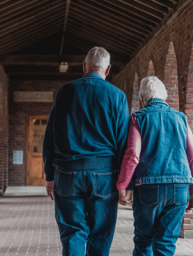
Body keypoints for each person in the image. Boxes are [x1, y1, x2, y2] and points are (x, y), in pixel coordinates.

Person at [43, 46, 129, 256]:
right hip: (104, 174)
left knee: (72, 232)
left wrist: (49, 175)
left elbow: (50, 135)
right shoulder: (117, 96)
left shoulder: (66, 91)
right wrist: (124, 182)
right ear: (108, 69)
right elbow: (124, 143)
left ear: (84, 66)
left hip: (66, 172)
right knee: (101, 233)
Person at [117, 76, 193, 256]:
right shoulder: (181, 118)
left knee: (144, 241)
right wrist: (191, 188)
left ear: (142, 99)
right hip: (179, 187)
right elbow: (192, 156)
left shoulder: (138, 118)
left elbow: (132, 154)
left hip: (149, 187)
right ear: (164, 96)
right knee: (166, 242)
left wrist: (123, 185)